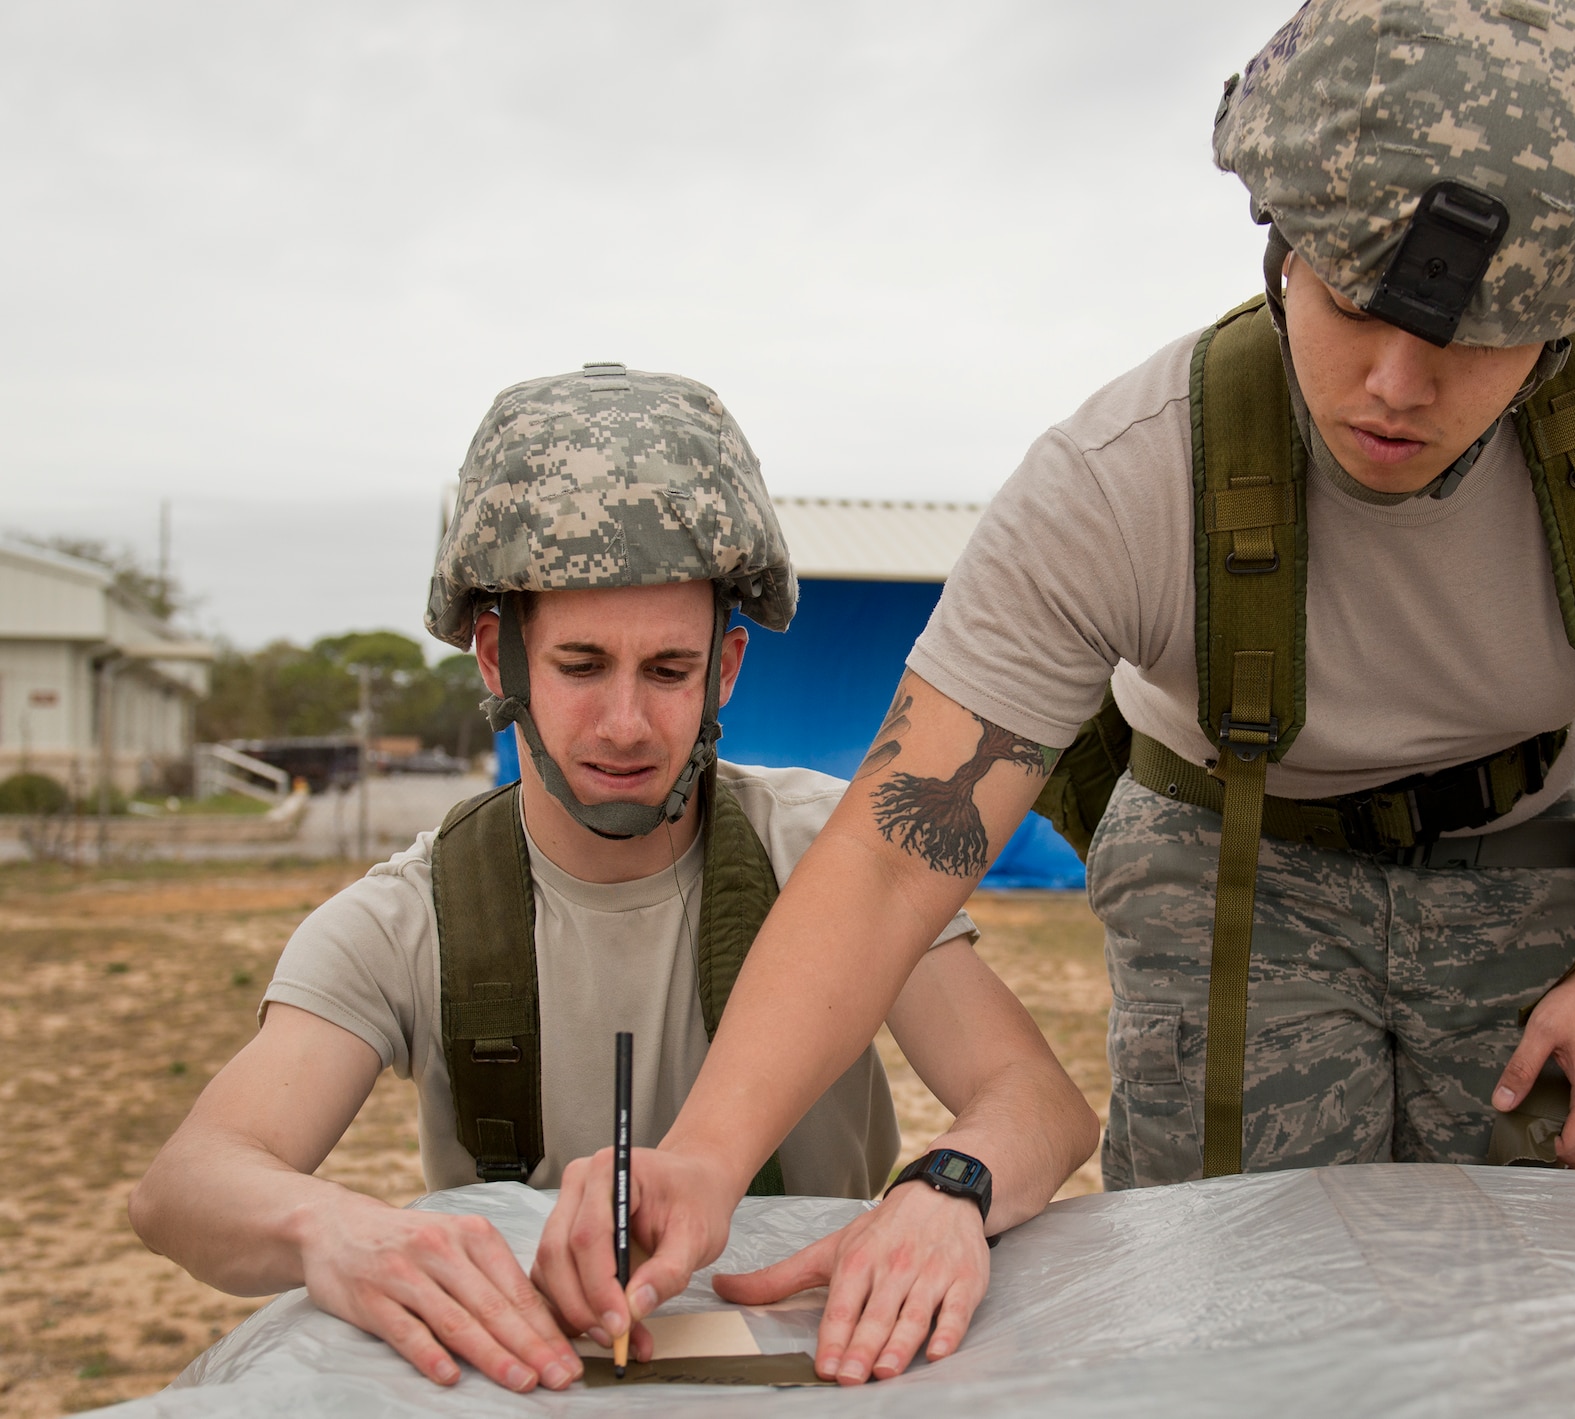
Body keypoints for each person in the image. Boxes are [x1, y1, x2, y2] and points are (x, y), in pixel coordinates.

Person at [530, 0, 1575, 1314]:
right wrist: (703, 1153)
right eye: (1357, 296)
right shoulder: (1122, 481)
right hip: (1233, 853)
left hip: (1530, 838)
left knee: (1547, 1306)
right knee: (1235, 1301)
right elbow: (896, 845)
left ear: (1574, 309)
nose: (1394, 383)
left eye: (1477, 334)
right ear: (1284, 239)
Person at [127, 364, 1100, 1393]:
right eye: (582, 666)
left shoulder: (829, 852)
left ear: (725, 669)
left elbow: (1037, 1104)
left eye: (669, 671)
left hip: (828, 1376)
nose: (627, 724)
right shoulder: (412, 915)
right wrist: (338, 1232)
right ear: (497, 659)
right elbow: (185, 1187)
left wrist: (946, 1191)